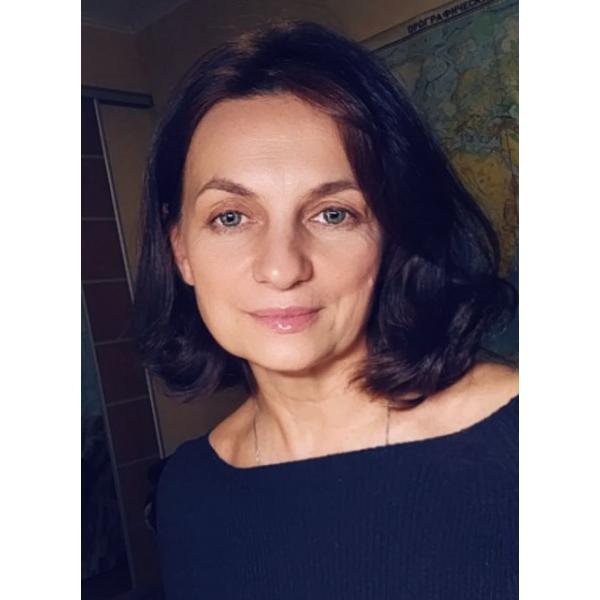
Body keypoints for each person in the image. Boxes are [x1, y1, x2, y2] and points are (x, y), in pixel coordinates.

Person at [134, 20, 518, 600]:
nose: (282, 267)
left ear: (391, 230)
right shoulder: (185, 491)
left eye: (333, 214)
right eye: (231, 217)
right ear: (181, 250)